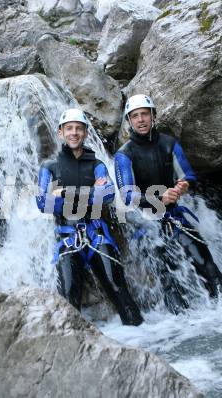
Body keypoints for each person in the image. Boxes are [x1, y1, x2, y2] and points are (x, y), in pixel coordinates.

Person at [114, 94, 222, 313]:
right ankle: (181, 327)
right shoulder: (124, 155)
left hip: (175, 217)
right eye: (135, 116)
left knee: (207, 265)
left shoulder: (169, 143)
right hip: (146, 224)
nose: (141, 119)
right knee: (169, 284)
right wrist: (158, 198)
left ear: (153, 116)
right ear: (130, 121)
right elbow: (127, 196)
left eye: (145, 114)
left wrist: (183, 185)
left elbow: (188, 175)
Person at [36, 108, 143, 326]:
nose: (74, 133)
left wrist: (65, 193)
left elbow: (108, 194)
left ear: (85, 133)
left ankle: (143, 343)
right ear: (60, 133)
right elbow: (43, 203)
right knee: (68, 298)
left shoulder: (97, 164)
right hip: (67, 239)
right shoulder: (49, 167)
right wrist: (90, 192)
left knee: (118, 290)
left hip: (96, 235)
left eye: (78, 129)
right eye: (69, 129)